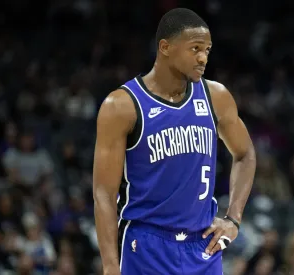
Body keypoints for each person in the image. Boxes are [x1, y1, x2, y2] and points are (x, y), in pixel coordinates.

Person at [92, 8, 256, 275]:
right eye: (195, 48)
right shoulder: (122, 105)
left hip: (203, 245)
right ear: (165, 47)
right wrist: (111, 265)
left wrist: (233, 218)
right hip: (146, 244)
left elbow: (245, 153)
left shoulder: (216, 96)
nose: (203, 57)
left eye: (207, 50)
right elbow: (104, 195)